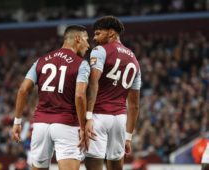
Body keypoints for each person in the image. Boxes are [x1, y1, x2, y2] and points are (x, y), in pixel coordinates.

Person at [12, 25, 90, 170]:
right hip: (66, 124)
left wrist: (17, 121)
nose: (88, 45)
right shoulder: (81, 64)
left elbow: (23, 90)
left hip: (40, 126)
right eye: (86, 39)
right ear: (78, 39)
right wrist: (83, 127)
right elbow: (79, 96)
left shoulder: (41, 61)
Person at [84, 16, 141, 170]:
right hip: (120, 120)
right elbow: (134, 105)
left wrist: (87, 116)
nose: (94, 39)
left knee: (93, 164)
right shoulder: (134, 59)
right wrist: (128, 137)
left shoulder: (99, 50)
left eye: (97, 33)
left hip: (99, 116)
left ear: (110, 33)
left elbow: (93, 83)